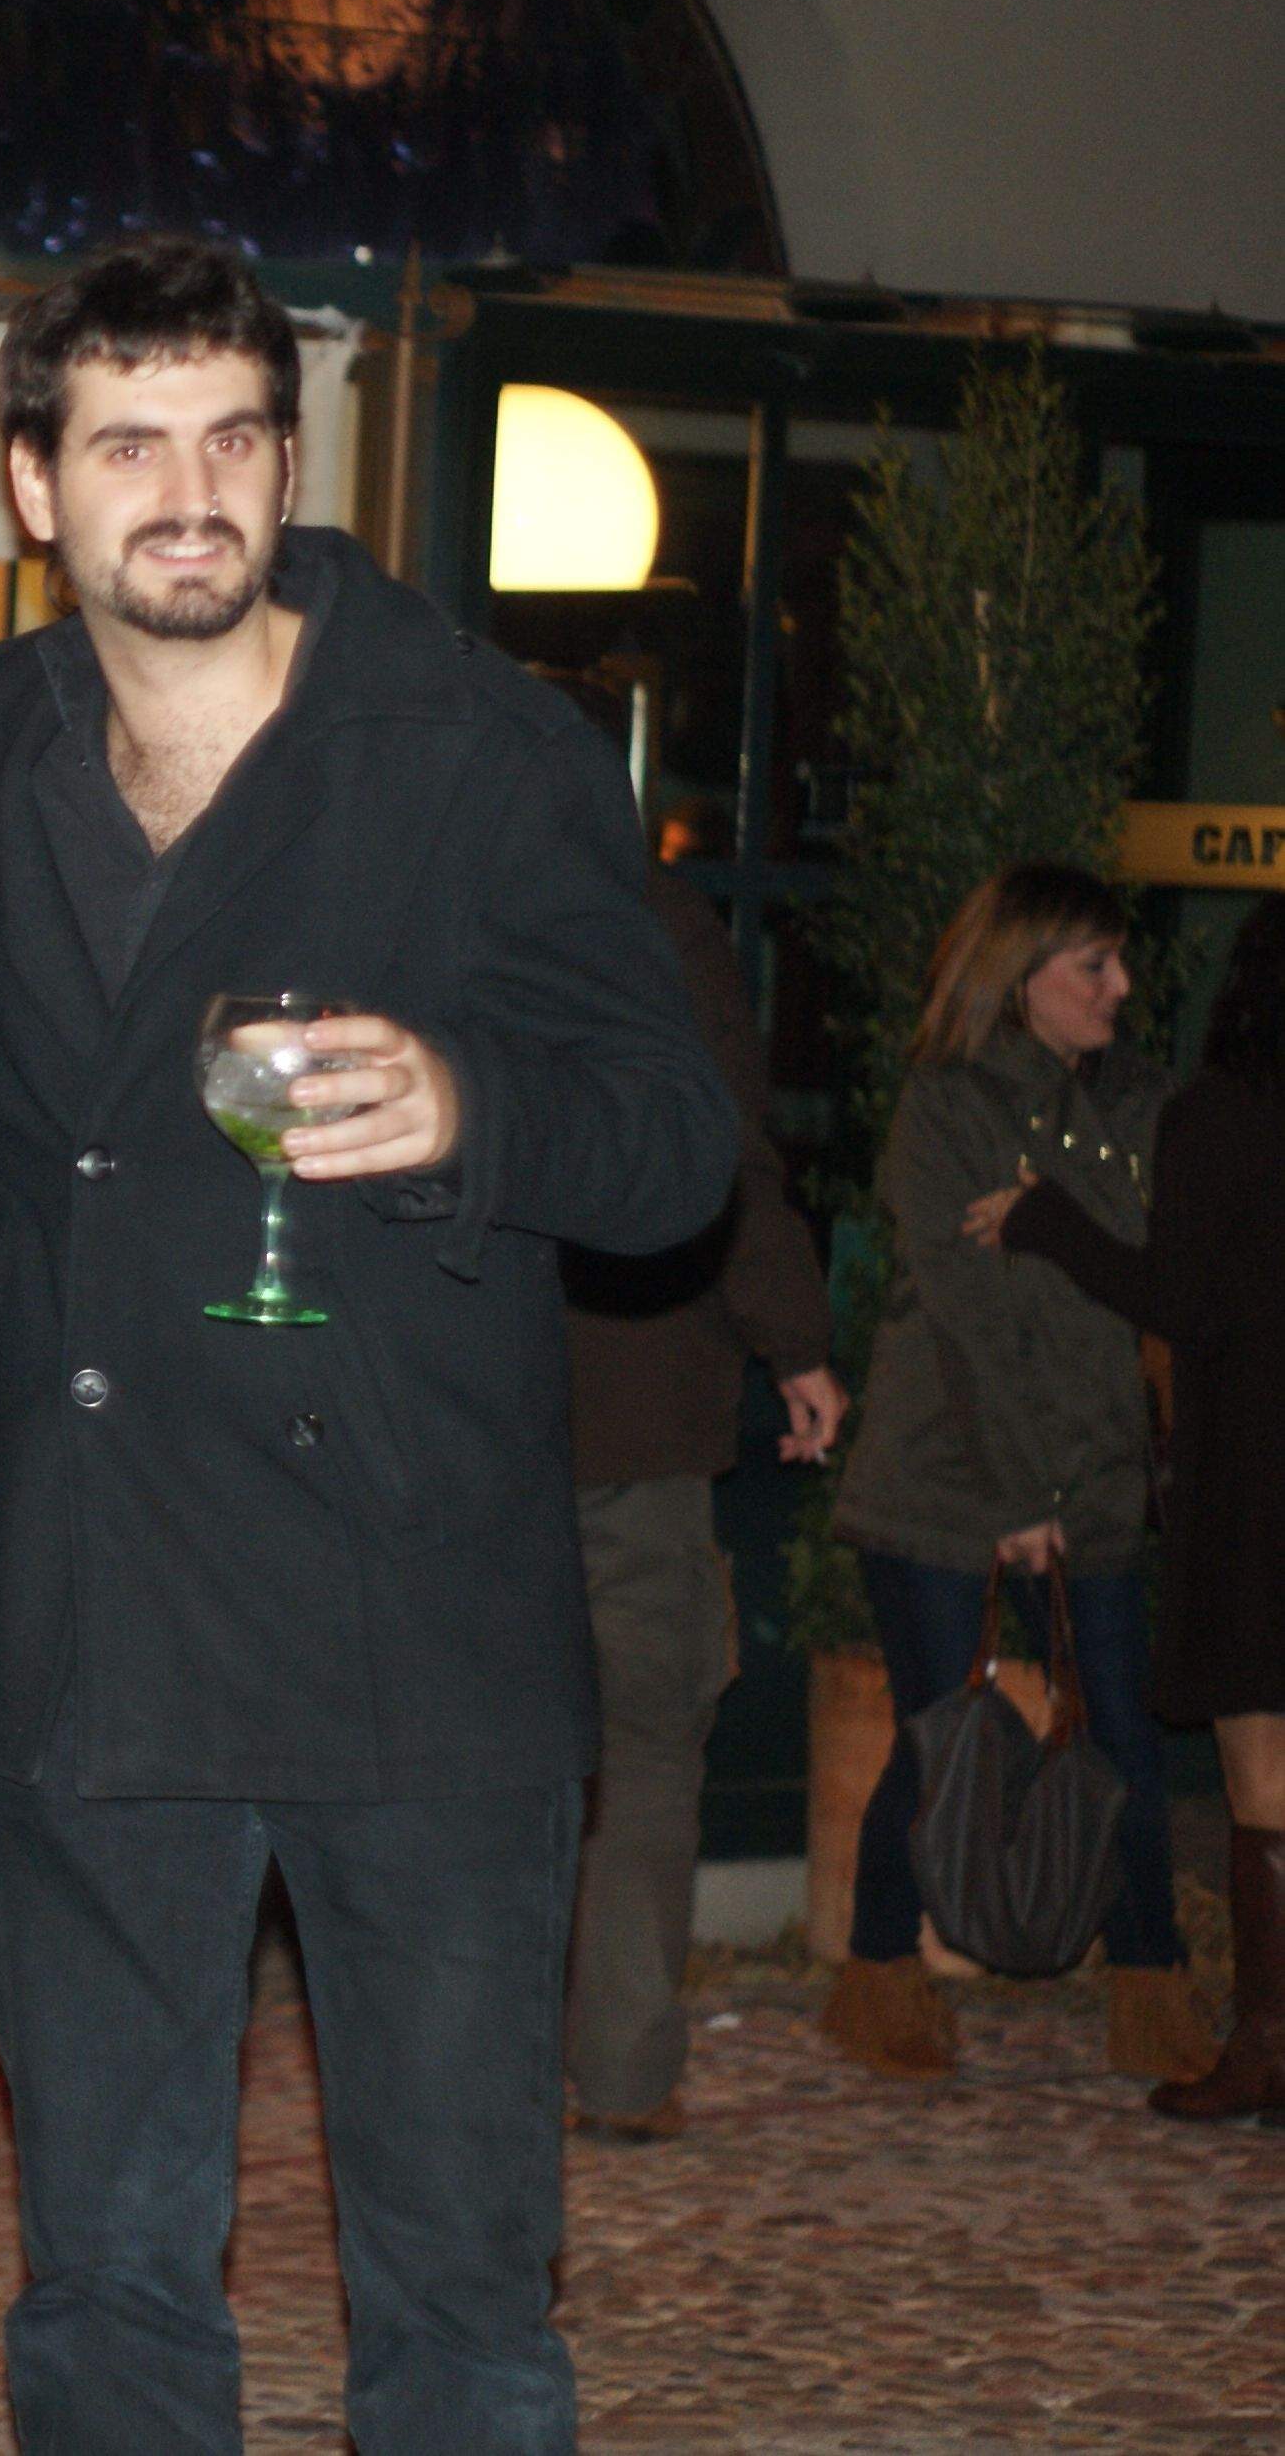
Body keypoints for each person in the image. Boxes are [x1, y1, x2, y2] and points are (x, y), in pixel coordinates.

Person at [0, 233, 734, 2453]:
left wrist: (471, 1109)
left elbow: (665, 1150)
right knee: (105, 2281)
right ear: (30, 483)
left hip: (405, 1630)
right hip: (85, 1623)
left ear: (284, 460)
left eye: (231, 437)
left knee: (451, 2295)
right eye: (127, 441)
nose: (188, 489)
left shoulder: (468, 747)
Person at [823, 864, 1209, 2085]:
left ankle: (1151, 1986)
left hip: (1097, 1471)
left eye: (1118, 961)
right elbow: (968, 1318)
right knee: (943, 1740)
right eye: (1090, 964)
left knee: (1125, 1744)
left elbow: (1166, 1262)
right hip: (944, 1476)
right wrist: (1015, 1503)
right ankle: (879, 1974)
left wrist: (1048, 1205)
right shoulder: (947, 1105)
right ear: (1019, 972)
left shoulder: (1147, 1101)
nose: (1121, 986)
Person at [973, 892, 1285, 2122]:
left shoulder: (1218, 1118)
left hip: (1258, 1475)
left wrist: (1046, 1219)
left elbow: (1186, 1302)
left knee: (1261, 1771)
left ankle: (1265, 2044)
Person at [559, 870, 843, 2142]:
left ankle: (466, 2062)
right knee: (646, 1740)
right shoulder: (654, 923)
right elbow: (723, 1155)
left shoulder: (410, 884)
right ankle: (618, 2066)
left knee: (461, 1753)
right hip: (631, 1397)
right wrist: (794, 1341)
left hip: (454, 1412)